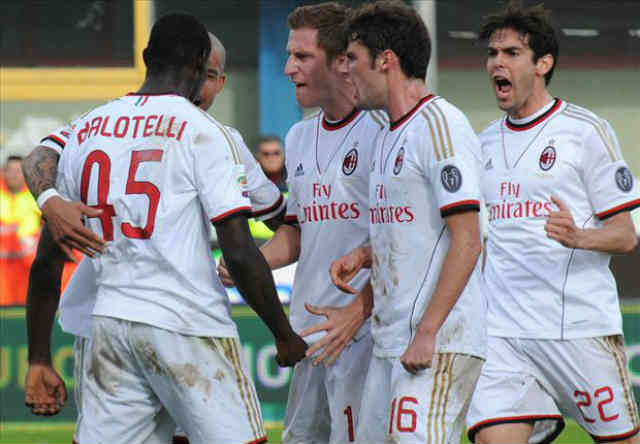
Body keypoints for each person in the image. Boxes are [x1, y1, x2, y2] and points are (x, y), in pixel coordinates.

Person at [27, 13, 306, 444]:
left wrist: (39, 358)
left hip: (111, 322)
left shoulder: (87, 131)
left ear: (145, 58)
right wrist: (282, 332)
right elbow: (238, 247)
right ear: (199, 64)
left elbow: (48, 255)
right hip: (187, 320)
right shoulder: (207, 133)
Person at [465, 3, 640, 444]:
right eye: (492, 53)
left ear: (543, 63)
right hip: (503, 335)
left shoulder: (585, 132)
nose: (496, 63)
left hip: (576, 330)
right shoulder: (481, 143)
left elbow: (625, 235)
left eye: (511, 53)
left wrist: (578, 236)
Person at [218, 3, 386, 442]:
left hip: (365, 331)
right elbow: (297, 233)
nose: (289, 68)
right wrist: (249, 261)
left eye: (302, 56)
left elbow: (407, 239)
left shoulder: (383, 131)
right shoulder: (298, 136)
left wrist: (360, 309)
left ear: (341, 61)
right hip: (309, 331)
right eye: (289, 55)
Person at [324, 2, 487, 442]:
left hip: (438, 341)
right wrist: (364, 255)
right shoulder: (386, 134)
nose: (346, 72)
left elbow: (469, 241)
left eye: (353, 59)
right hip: (391, 341)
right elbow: (413, 234)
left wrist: (428, 332)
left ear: (386, 60)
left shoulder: (441, 125)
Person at [0, 155, 41, 305]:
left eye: (19, 171)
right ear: (3, 172)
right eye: (10, 171)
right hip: (2, 269)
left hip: (27, 267)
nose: (14, 175)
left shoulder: (36, 196)